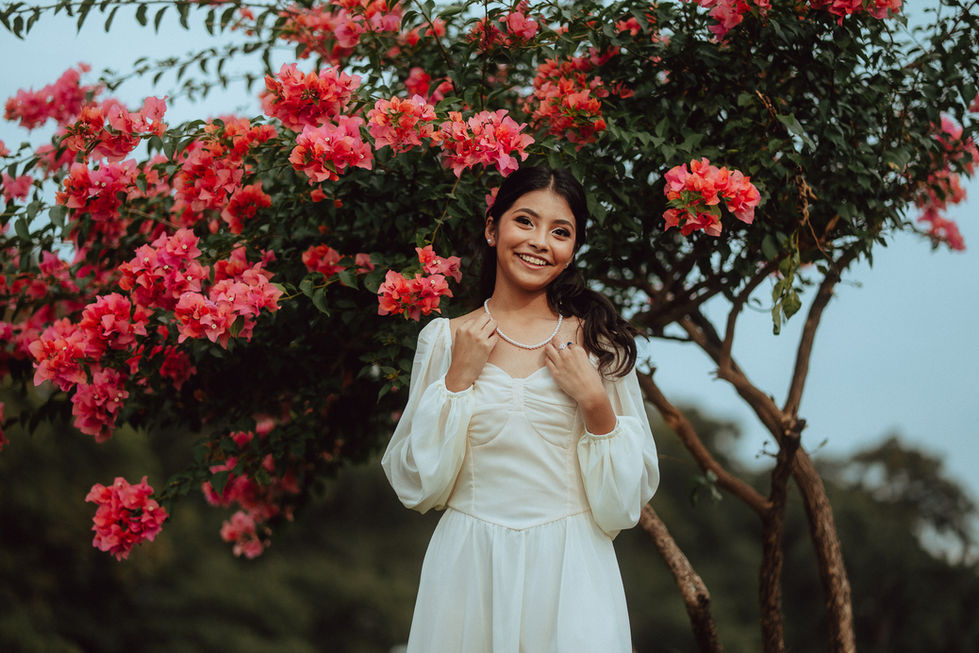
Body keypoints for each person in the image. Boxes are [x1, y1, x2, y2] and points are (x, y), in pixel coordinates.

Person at [381, 166, 660, 652]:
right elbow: (418, 483)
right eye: (525, 221)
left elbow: (622, 503)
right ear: (493, 228)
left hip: (573, 570)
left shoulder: (599, 344)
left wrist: (594, 400)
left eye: (560, 232)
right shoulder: (446, 339)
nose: (539, 242)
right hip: (468, 569)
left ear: (573, 249)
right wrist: (456, 380)